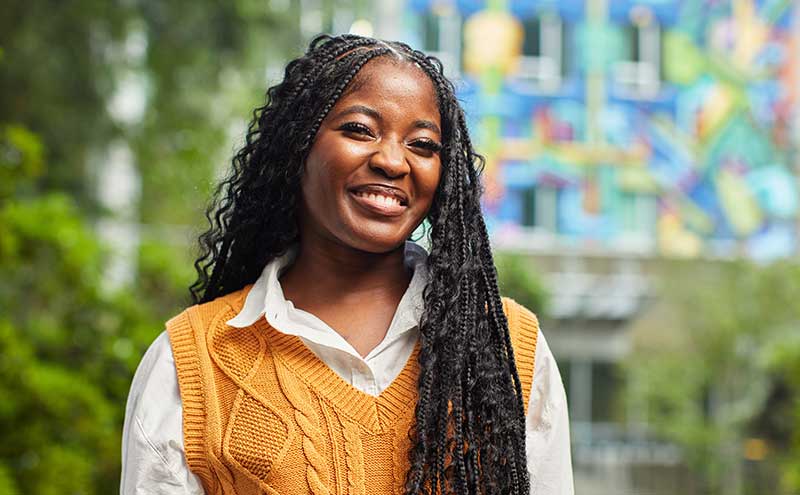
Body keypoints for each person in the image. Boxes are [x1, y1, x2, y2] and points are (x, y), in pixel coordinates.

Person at [121, 34, 573, 495]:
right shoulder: (191, 365)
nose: (393, 160)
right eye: (360, 130)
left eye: (422, 144)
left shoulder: (509, 352)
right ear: (298, 148)